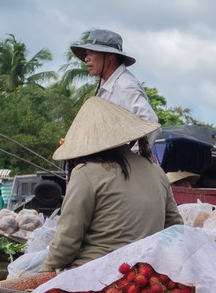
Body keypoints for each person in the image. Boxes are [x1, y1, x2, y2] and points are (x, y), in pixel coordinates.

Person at [43, 97, 183, 272]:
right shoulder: (157, 171)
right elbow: (175, 228)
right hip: (145, 275)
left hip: (96, 276)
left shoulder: (85, 173)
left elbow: (67, 242)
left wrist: (46, 272)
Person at [70, 28, 160, 147]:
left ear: (110, 55)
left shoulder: (125, 86)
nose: (86, 58)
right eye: (87, 54)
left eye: (92, 53)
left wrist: (131, 158)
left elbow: (151, 123)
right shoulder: (105, 86)